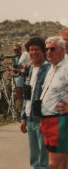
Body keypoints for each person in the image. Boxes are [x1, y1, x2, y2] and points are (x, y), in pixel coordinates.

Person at [20, 37, 50, 169]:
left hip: (42, 119)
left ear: (44, 51)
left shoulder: (49, 69)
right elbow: (27, 96)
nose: (33, 52)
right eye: (31, 50)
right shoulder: (31, 69)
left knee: (44, 160)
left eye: (36, 49)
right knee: (34, 160)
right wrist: (23, 118)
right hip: (30, 118)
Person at [39, 36, 68, 169]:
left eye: (52, 49)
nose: (48, 52)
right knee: (62, 163)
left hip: (59, 121)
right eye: (47, 49)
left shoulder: (66, 67)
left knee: (55, 164)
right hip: (47, 121)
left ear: (62, 50)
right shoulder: (52, 68)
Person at [9, 44, 25, 120]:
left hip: (21, 77)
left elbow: (24, 70)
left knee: (19, 95)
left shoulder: (23, 57)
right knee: (16, 95)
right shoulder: (15, 58)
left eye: (17, 50)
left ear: (20, 50)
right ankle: (18, 111)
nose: (16, 51)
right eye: (14, 50)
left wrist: (13, 70)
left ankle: (20, 112)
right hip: (16, 77)